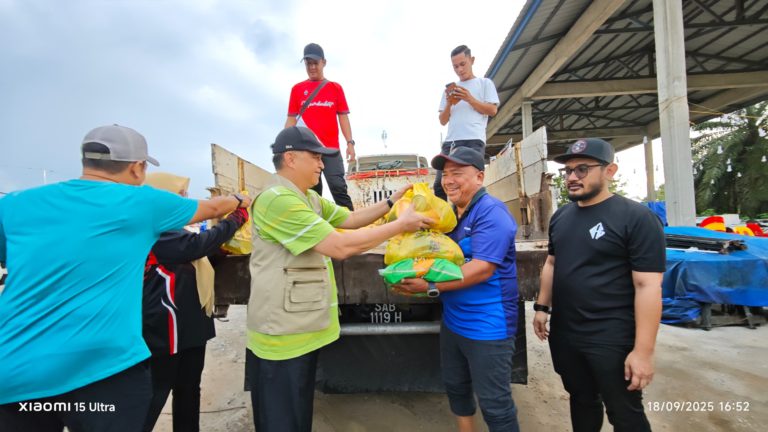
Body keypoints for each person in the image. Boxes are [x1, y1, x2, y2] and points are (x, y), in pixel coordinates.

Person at [0, 124, 251, 432]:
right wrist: (239, 200)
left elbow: (10, 258)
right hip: (104, 370)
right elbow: (212, 208)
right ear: (136, 167)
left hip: (17, 370)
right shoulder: (141, 203)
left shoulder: (13, 204)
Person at [246, 126, 432, 432]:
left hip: (299, 331)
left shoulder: (307, 198)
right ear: (291, 159)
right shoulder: (277, 200)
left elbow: (350, 219)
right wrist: (400, 225)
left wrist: (391, 203)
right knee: (282, 422)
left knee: (297, 417)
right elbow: (340, 246)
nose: (322, 164)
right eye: (316, 157)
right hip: (281, 337)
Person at [533, 138, 666, 432]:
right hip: (567, 332)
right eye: (567, 170)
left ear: (610, 171)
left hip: (611, 336)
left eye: (582, 169)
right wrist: (542, 307)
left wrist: (643, 352)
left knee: (624, 412)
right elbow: (552, 263)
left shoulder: (637, 218)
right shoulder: (562, 216)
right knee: (581, 399)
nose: (572, 177)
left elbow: (648, 286)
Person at [394, 146, 520, 432]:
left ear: (479, 176)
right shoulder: (450, 215)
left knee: (495, 404)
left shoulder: (492, 213)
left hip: (488, 325)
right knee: (456, 387)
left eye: (458, 173)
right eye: (446, 174)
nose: (449, 180)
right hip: (454, 321)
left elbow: (483, 268)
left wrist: (430, 286)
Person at [141, 172, 252, 432]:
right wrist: (237, 218)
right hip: (166, 328)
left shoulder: (174, 230)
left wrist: (221, 249)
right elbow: (196, 246)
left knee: (189, 389)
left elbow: (196, 259)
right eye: (179, 195)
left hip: (189, 324)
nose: (185, 200)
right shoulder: (155, 230)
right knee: (155, 392)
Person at [285, 42, 356, 210]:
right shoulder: (297, 89)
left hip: (331, 150)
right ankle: (316, 224)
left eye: (315, 63)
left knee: (338, 187)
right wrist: (284, 145)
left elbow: (343, 117)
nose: (312, 67)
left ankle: (354, 223)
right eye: (308, 63)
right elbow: (291, 120)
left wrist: (350, 143)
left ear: (324, 62)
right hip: (307, 151)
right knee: (312, 192)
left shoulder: (335, 88)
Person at [434, 44, 499, 201]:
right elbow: (442, 121)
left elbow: (492, 110)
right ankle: (446, 217)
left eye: (463, 64)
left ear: (472, 60)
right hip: (450, 142)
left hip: (473, 140)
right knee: (439, 185)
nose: (459, 69)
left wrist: (469, 98)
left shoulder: (484, 83)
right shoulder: (449, 91)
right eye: (455, 66)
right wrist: (449, 103)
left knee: (470, 185)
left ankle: (471, 215)